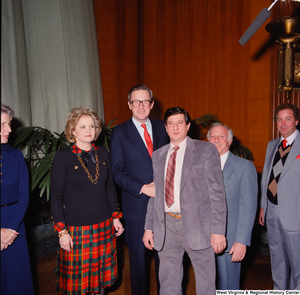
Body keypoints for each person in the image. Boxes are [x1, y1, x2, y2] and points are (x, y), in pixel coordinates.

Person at [143, 107, 227, 295]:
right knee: (168, 284)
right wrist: (149, 227)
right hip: (166, 227)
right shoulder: (158, 155)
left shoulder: (205, 150)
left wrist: (218, 231)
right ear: (165, 128)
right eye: (171, 123)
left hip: (199, 227)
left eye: (180, 122)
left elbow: (217, 193)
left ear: (188, 126)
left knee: (206, 285)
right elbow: (155, 193)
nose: (175, 127)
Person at [50, 106, 124, 295]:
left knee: (99, 282)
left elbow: (109, 187)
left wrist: (115, 217)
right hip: (76, 230)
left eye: (91, 126)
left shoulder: (102, 153)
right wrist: (62, 231)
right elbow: (56, 198)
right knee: (79, 286)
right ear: (72, 130)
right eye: (82, 127)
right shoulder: (63, 157)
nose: (89, 130)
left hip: (104, 225)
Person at [109, 85, 169, 295]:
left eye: (145, 101)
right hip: (136, 208)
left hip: (165, 207)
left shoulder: (164, 127)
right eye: (136, 101)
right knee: (139, 264)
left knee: (167, 263)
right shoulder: (119, 132)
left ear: (152, 105)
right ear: (129, 105)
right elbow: (116, 172)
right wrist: (143, 188)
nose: (141, 106)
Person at [207, 123, 258, 290]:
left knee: (229, 286)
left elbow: (248, 207)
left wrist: (241, 241)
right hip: (202, 240)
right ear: (208, 140)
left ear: (229, 141)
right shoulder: (198, 166)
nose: (216, 140)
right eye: (213, 136)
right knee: (207, 285)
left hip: (230, 240)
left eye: (221, 136)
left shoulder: (244, 167)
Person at [259, 103, 300, 290]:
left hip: (295, 214)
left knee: (297, 262)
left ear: (296, 121)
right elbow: (267, 177)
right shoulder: (272, 145)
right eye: (279, 119)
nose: (283, 123)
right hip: (272, 213)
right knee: (277, 258)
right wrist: (263, 206)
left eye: (288, 119)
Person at [1, 104, 34, 295]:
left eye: (9, 123)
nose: (10, 129)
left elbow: (24, 196)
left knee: (16, 282)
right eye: (3, 124)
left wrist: (11, 229)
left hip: (15, 225)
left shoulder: (15, 155)